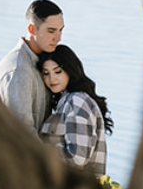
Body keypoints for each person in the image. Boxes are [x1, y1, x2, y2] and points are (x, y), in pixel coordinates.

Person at [37, 44, 112, 178]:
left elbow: (77, 158)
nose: (52, 78)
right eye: (46, 73)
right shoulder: (67, 101)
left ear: (70, 70)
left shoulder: (77, 100)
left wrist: (42, 146)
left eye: (57, 71)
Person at [0, 0, 64, 131]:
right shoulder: (19, 71)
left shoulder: (43, 62)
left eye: (60, 30)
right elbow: (23, 132)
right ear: (32, 29)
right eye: (51, 31)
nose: (58, 38)